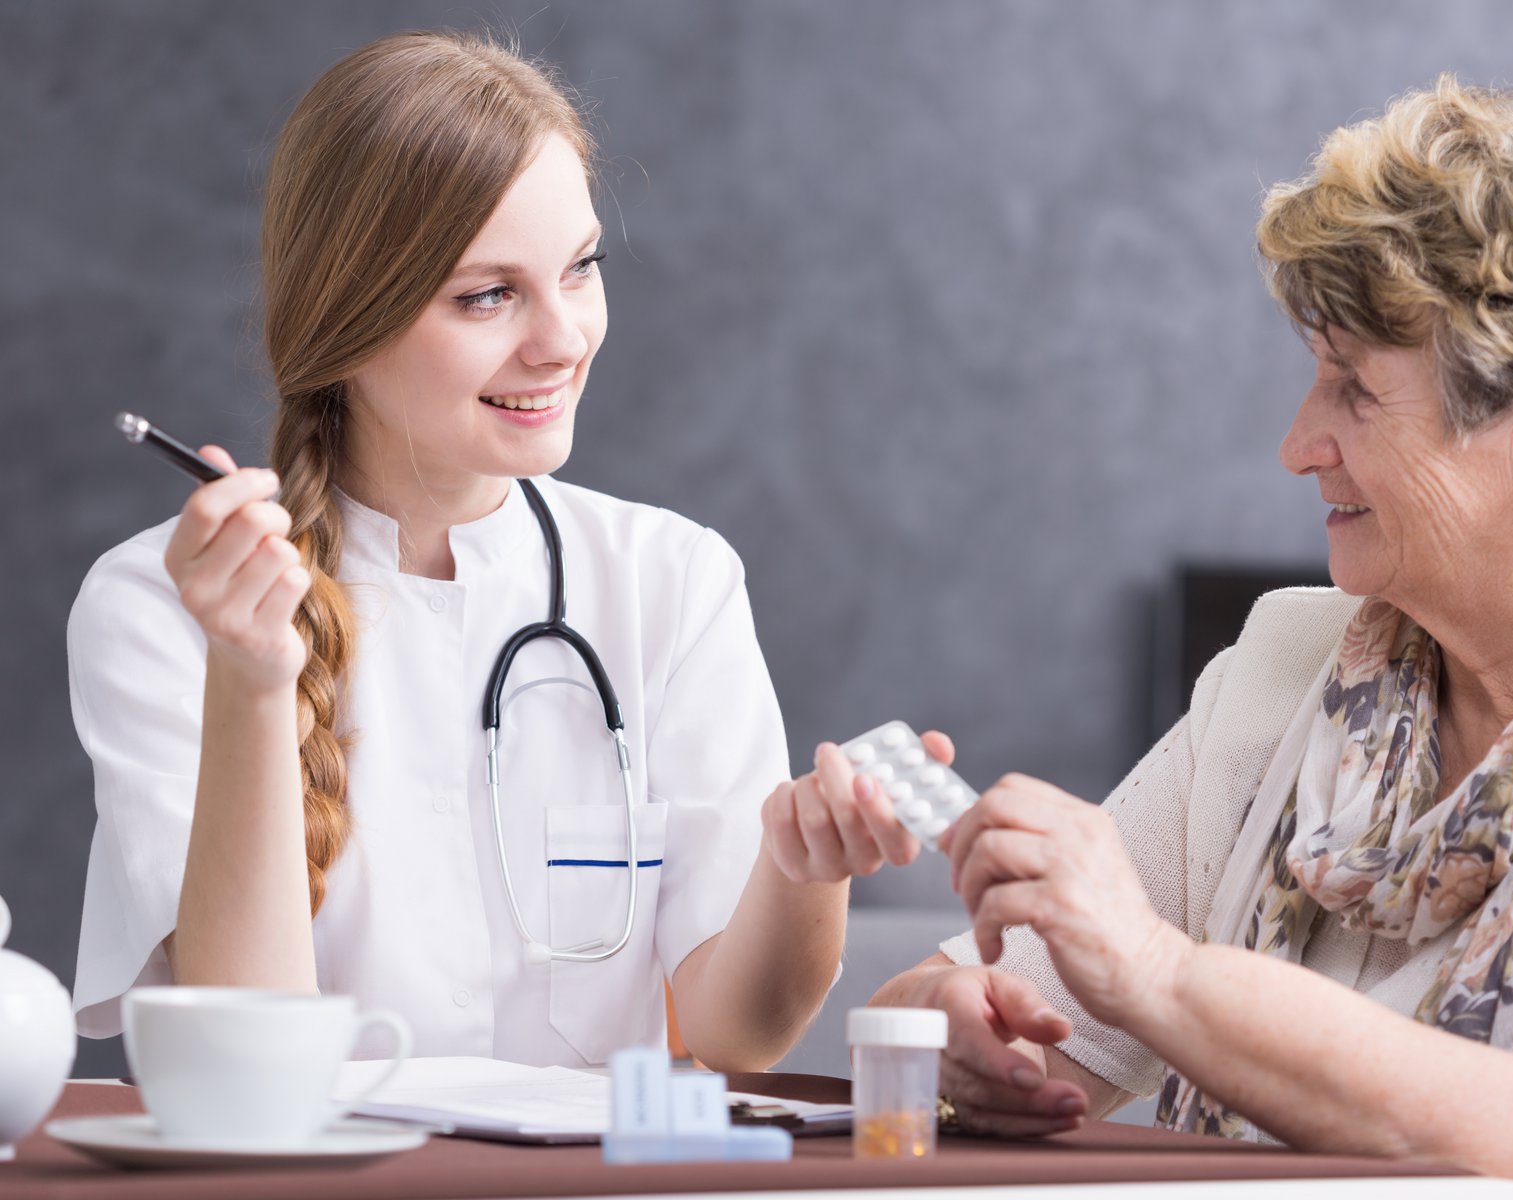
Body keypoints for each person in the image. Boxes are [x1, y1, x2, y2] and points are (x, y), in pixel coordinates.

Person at [873, 77, 1513, 1199]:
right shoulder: (1285, 669)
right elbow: (1001, 1009)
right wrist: (949, 1029)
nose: (1298, 443)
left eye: (1355, 392)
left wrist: (1167, 981)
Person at [69, 30, 927, 1070]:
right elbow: (243, 1070)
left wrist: (806, 867)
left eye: (580, 269)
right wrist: (253, 683)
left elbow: (735, 1032)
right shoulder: (156, 607)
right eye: (488, 295)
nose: (561, 337)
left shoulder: (673, 582)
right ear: (345, 321)